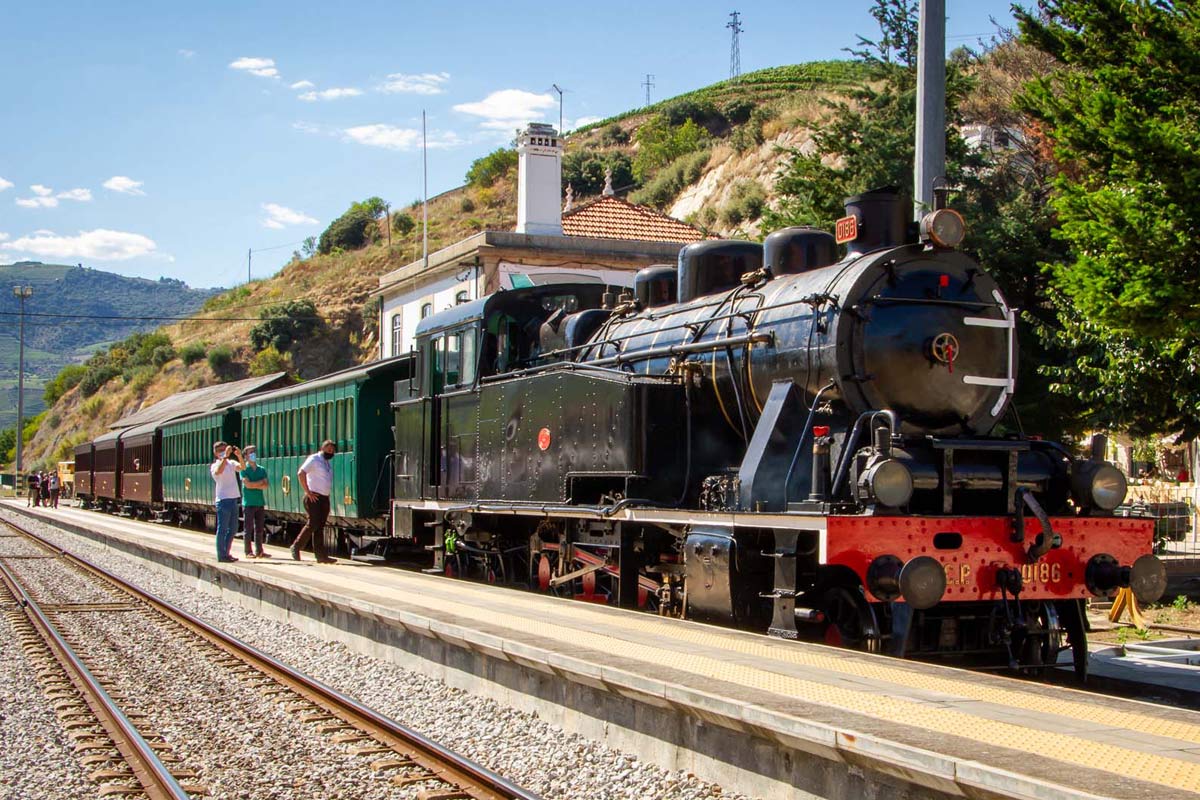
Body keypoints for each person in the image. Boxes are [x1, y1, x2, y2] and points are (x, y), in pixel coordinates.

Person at [290, 438, 336, 564]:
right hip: (314, 497)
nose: (331, 452)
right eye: (328, 449)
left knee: (320, 526)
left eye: (332, 450)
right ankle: (296, 546)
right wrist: (308, 491)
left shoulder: (327, 462)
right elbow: (301, 473)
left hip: (324, 497)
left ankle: (321, 556)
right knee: (313, 523)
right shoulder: (314, 459)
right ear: (322, 448)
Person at [210, 441, 245, 563]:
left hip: (233, 498)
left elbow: (242, 468)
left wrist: (239, 455)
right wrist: (225, 456)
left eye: (224, 449)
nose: (223, 451)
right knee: (222, 528)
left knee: (233, 528)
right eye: (220, 450)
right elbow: (219, 471)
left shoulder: (231, 463)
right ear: (215, 452)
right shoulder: (215, 465)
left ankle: (227, 552)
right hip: (223, 500)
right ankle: (221, 555)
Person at [239, 446, 270, 558]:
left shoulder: (261, 469)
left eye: (254, 452)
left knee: (259, 528)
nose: (253, 454)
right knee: (248, 528)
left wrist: (254, 484)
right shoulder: (243, 469)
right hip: (248, 503)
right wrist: (259, 483)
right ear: (245, 456)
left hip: (259, 502)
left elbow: (266, 485)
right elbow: (247, 485)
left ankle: (259, 551)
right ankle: (248, 551)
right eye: (251, 452)